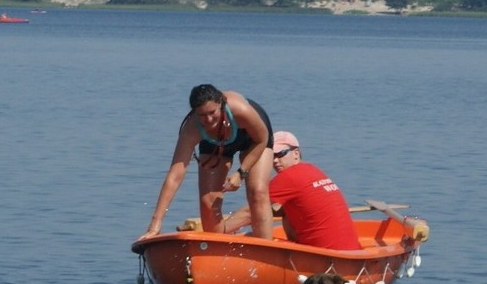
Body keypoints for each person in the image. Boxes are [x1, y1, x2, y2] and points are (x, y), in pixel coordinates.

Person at [136, 84, 274, 241]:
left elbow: (262, 139)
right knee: (208, 204)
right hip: (216, 143)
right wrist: (155, 224)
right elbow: (174, 176)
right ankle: (227, 241)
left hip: (254, 139)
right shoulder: (191, 129)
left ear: (221, 105)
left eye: (212, 112)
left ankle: (265, 248)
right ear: (195, 112)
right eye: (202, 115)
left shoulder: (241, 111)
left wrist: (241, 173)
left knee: (257, 191)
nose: (208, 120)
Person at [225, 131, 361, 250]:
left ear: (296, 153)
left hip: (326, 257)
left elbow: (251, 211)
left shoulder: (289, 177)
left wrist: (220, 231)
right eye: (272, 156)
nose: (275, 161)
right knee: (286, 209)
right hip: (351, 251)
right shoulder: (313, 171)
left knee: (251, 235)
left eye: (281, 154)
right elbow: (269, 209)